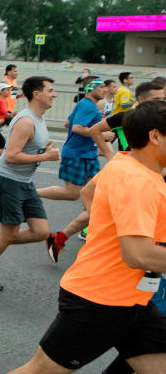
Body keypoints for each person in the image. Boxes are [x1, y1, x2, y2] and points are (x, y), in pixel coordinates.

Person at [4, 100, 166, 374]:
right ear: (154, 137)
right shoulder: (139, 182)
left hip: (134, 298)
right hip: (100, 301)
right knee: (39, 372)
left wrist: (106, 223)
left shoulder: (125, 163)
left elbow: (88, 192)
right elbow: (137, 254)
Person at [0, 76, 57, 291]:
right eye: (50, 90)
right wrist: (44, 157)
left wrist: (43, 151)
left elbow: (25, 150)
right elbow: (10, 156)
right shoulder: (26, 121)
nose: (54, 94)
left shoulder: (39, 118)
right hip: (8, 180)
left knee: (41, 232)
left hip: (24, 181)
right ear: (37, 94)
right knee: (9, 234)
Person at [41, 78, 111, 261]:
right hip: (77, 155)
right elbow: (77, 127)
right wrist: (102, 133)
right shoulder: (88, 105)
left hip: (88, 155)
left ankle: (63, 238)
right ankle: (30, 193)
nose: (105, 90)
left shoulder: (86, 105)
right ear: (91, 89)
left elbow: (67, 123)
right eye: (101, 87)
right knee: (73, 194)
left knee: (98, 200)